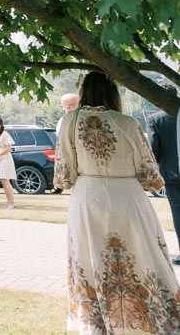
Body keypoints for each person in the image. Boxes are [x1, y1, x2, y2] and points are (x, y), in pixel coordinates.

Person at [55, 70, 179, 330]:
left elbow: (64, 176)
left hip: (88, 198)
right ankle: (155, 318)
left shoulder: (70, 121)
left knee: (91, 260)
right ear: (113, 93)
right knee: (144, 255)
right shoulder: (127, 122)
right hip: (128, 197)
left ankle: (97, 323)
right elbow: (150, 175)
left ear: (83, 93)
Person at [144, 89, 180, 265]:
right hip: (172, 172)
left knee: (179, 214)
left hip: (173, 174)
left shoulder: (155, 119)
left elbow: (153, 148)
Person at [0, 117, 16, 209]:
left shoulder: (5, 134)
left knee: (5, 180)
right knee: (2, 181)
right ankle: (8, 201)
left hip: (5, 159)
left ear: (0, 125)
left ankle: (12, 203)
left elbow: (8, 149)